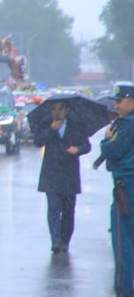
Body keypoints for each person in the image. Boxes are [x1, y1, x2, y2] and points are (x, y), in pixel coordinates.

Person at [31, 99, 91, 254]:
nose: (57, 112)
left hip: (69, 175)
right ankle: (56, 241)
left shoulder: (76, 126)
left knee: (68, 210)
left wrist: (77, 149)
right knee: (53, 210)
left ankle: (65, 240)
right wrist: (51, 129)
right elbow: (37, 142)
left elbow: (87, 146)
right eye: (54, 109)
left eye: (60, 109)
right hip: (51, 174)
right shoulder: (46, 125)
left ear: (66, 110)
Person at [99, 82, 134, 297]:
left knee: (123, 241)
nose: (117, 105)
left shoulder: (126, 125)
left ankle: (124, 295)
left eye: (120, 101)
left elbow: (111, 152)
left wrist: (105, 140)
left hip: (126, 188)